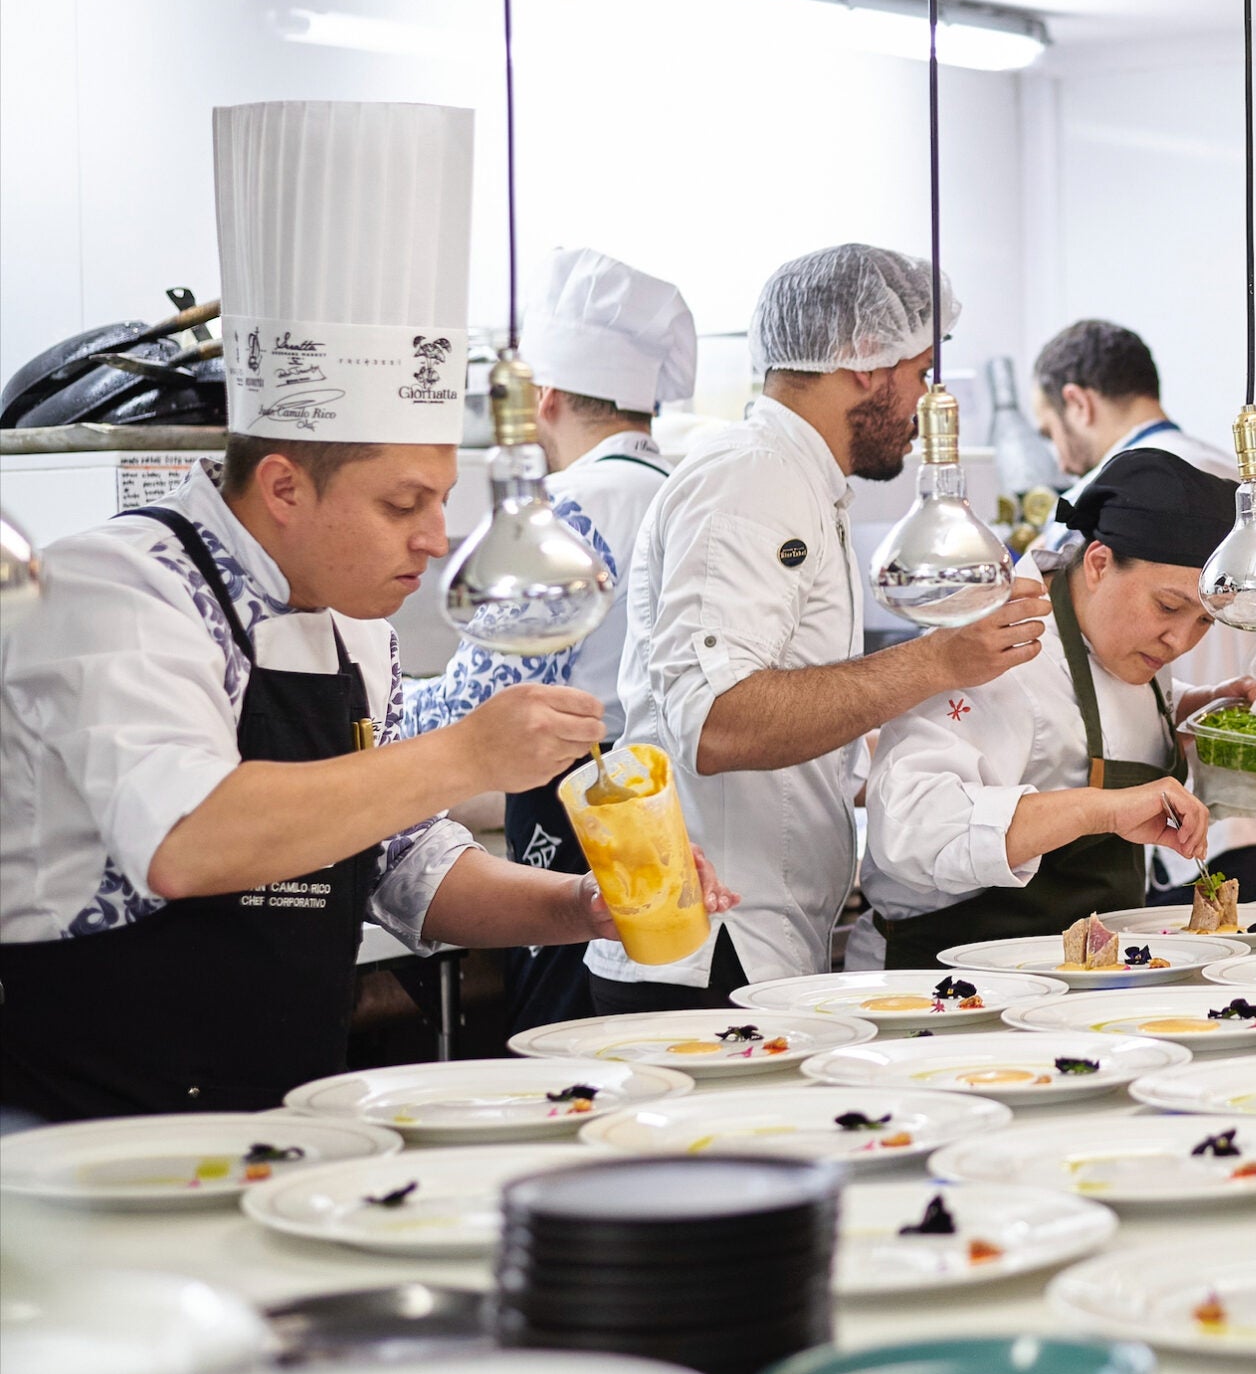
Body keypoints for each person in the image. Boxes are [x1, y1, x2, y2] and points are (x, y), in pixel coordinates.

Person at [0, 101, 733, 1120]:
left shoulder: (354, 629)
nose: (436, 538)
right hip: (83, 1124)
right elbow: (187, 842)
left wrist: (583, 907)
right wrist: (469, 755)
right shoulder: (116, 592)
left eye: (442, 498)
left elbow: (404, 864)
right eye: (405, 504)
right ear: (287, 486)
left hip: (278, 1115)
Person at [606, 243, 1048, 1009]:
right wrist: (939, 662)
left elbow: (781, 699)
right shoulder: (753, 479)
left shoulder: (801, 483)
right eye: (920, 376)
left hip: (754, 937)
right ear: (865, 362)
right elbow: (719, 724)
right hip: (706, 950)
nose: (925, 408)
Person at [404, 247, 695, 1032]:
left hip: (580, 823)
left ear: (546, 396)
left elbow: (477, 708)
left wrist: (349, 718)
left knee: (568, 1052)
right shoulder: (680, 495)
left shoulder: (559, 511)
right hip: (672, 824)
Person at [862, 449, 1250, 965]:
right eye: (1169, 607)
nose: (1181, 640)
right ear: (1098, 564)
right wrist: (1101, 809)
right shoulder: (995, 646)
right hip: (956, 973)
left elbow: (1084, 723)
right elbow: (909, 826)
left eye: (1205, 621)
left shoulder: (1125, 643)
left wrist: (1199, 708)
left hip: (1086, 972)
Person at [1029, 318, 1256, 893]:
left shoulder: (1115, 497)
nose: (1181, 637)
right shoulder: (1255, 491)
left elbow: (1066, 660)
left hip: (1200, 826)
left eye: (1049, 429)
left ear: (1077, 402)